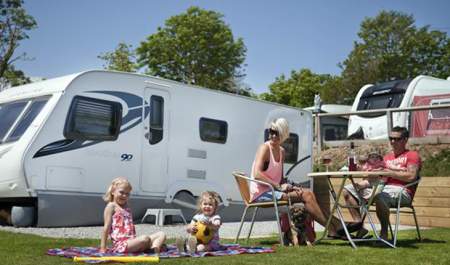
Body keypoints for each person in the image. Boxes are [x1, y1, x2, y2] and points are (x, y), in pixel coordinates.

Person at [250, 117, 343, 238]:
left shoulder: (281, 151)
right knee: (307, 195)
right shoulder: (264, 148)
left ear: (283, 134)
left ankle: (335, 227)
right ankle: (334, 227)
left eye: (276, 133)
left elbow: (281, 178)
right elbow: (257, 174)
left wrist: (292, 187)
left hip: (273, 190)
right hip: (261, 193)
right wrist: (278, 185)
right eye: (271, 132)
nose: (272, 136)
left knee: (309, 194)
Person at [343, 126, 421, 240]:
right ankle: (359, 227)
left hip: (402, 191)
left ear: (405, 140)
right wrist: (364, 181)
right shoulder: (386, 157)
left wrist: (389, 173)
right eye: (391, 138)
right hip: (381, 187)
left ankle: (384, 234)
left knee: (379, 196)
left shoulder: (412, 155)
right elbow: (379, 178)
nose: (393, 142)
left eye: (397, 139)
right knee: (347, 190)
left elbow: (411, 176)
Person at [100, 177, 166, 253]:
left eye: (127, 194)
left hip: (132, 241)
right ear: (113, 192)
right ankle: (151, 247)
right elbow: (106, 228)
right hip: (121, 245)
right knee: (145, 239)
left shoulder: (127, 207)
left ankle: (154, 249)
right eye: (121, 192)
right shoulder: (111, 206)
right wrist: (103, 247)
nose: (124, 196)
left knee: (161, 234)